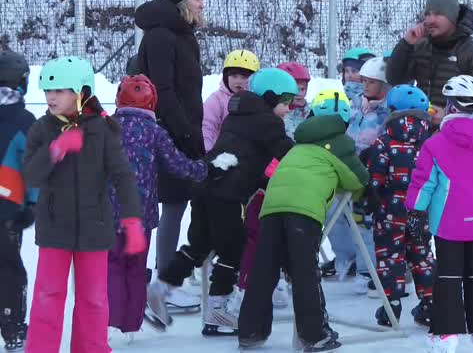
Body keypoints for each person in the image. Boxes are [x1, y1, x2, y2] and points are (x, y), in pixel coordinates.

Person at [146, 68, 297, 335]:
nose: (288, 109)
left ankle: (160, 288)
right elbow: (286, 153)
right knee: (233, 250)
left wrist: (261, 181)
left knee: (199, 245)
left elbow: (247, 156)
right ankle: (218, 309)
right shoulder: (268, 123)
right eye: (286, 102)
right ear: (271, 97)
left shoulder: (236, 116)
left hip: (206, 186)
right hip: (229, 195)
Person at [22, 56, 145, 353]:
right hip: (54, 229)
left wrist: (131, 219)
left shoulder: (102, 131)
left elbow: (123, 176)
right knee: (48, 296)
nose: (51, 97)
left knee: (93, 298)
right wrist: (54, 151)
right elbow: (29, 175)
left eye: (60, 90)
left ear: (81, 91)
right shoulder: (42, 129)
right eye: (48, 90)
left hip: (95, 229)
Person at [237, 89, 368, 352]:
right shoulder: (341, 144)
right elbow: (358, 179)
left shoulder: (299, 145)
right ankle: (314, 334)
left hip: (273, 206)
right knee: (304, 272)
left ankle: (250, 330)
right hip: (303, 210)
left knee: (265, 269)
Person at [405, 75, 473, 353]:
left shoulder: (435, 144)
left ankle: (446, 335)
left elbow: (423, 183)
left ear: (453, 107)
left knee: (448, 277)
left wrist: (415, 213)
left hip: (447, 225)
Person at [107, 75, 207, 343]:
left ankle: (111, 318)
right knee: (136, 267)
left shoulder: (108, 127)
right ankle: (131, 322)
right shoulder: (155, 132)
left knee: (112, 265)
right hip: (141, 216)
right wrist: (202, 169)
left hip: (108, 214)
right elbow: (176, 164)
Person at [135, 0, 207, 278]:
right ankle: (162, 277)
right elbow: (163, 90)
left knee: (178, 203)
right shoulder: (162, 35)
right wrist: (185, 131)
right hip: (168, 132)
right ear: (181, 3)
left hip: (180, 128)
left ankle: (167, 274)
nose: (202, 2)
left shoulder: (181, 32)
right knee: (172, 203)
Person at [367, 84, 435, 327]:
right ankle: (431, 305)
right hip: (420, 210)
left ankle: (391, 308)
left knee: (390, 257)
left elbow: (375, 178)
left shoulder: (384, 143)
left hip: (390, 211)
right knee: (422, 254)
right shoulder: (429, 144)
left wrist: (368, 201)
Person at [386, 0, 473, 124]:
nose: (430, 20)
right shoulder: (421, 46)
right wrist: (406, 44)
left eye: (438, 14)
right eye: (427, 14)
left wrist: (449, 115)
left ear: (453, 17)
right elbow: (395, 79)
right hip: (421, 129)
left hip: (459, 133)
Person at [340, 56, 390, 295]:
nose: (365, 86)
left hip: (371, 175)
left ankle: (367, 271)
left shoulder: (387, 112)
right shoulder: (355, 105)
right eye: (364, 81)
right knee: (338, 215)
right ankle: (348, 258)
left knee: (365, 223)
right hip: (349, 169)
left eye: (371, 82)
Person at [0, 50, 35, 352]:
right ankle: (12, 328)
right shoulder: (24, 120)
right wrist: (33, 204)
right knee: (9, 267)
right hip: (8, 209)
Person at [203, 49, 260, 151]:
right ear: (226, 77)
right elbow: (206, 125)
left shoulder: (258, 100)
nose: (238, 81)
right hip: (222, 154)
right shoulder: (217, 99)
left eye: (244, 77)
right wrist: (207, 150)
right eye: (234, 76)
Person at [278, 61, 312, 139]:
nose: (299, 94)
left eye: (303, 89)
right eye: (295, 89)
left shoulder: (311, 110)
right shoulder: (278, 112)